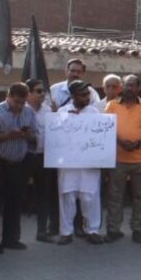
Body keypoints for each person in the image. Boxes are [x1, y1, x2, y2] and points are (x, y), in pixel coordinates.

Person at [0, 82, 37, 253]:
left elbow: (35, 137)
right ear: (8, 97)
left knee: (15, 202)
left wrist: (28, 135)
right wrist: (7, 135)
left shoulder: (29, 112)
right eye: (16, 102)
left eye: (23, 102)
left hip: (20, 163)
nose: (20, 106)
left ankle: (11, 239)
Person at [104, 75, 141, 244]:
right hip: (118, 158)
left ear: (139, 88)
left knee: (140, 196)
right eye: (126, 85)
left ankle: (137, 229)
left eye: (133, 85)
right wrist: (120, 141)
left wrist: (139, 142)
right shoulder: (111, 105)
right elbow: (106, 127)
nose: (129, 88)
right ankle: (113, 229)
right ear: (121, 87)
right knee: (115, 196)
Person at [56, 80, 105, 245]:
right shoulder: (62, 112)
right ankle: (66, 232)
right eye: (82, 95)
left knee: (89, 197)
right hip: (68, 164)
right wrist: (68, 119)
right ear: (72, 96)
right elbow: (56, 135)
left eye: (87, 94)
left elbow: (102, 136)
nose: (86, 97)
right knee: (67, 197)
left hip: (89, 164)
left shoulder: (95, 113)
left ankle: (93, 230)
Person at [25, 79, 58, 243]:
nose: (42, 94)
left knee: (43, 195)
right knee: (17, 194)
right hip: (24, 157)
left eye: (43, 91)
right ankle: (12, 236)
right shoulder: (22, 110)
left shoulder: (49, 111)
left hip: (44, 157)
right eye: (38, 91)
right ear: (29, 93)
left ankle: (42, 231)